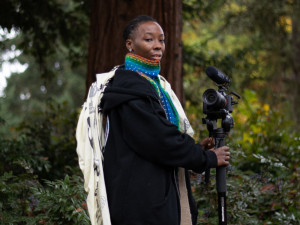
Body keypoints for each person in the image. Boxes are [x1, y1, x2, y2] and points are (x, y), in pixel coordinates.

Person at [76, 15, 230, 225]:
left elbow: (161, 134)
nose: (158, 46)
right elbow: (159, 140)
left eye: (162, 40)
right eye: (149, 40)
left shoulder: (154, 85)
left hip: (150, 195)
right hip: (140, 203)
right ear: (130, 45)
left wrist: (196, 150)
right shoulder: (130, 89)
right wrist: (206, 159)